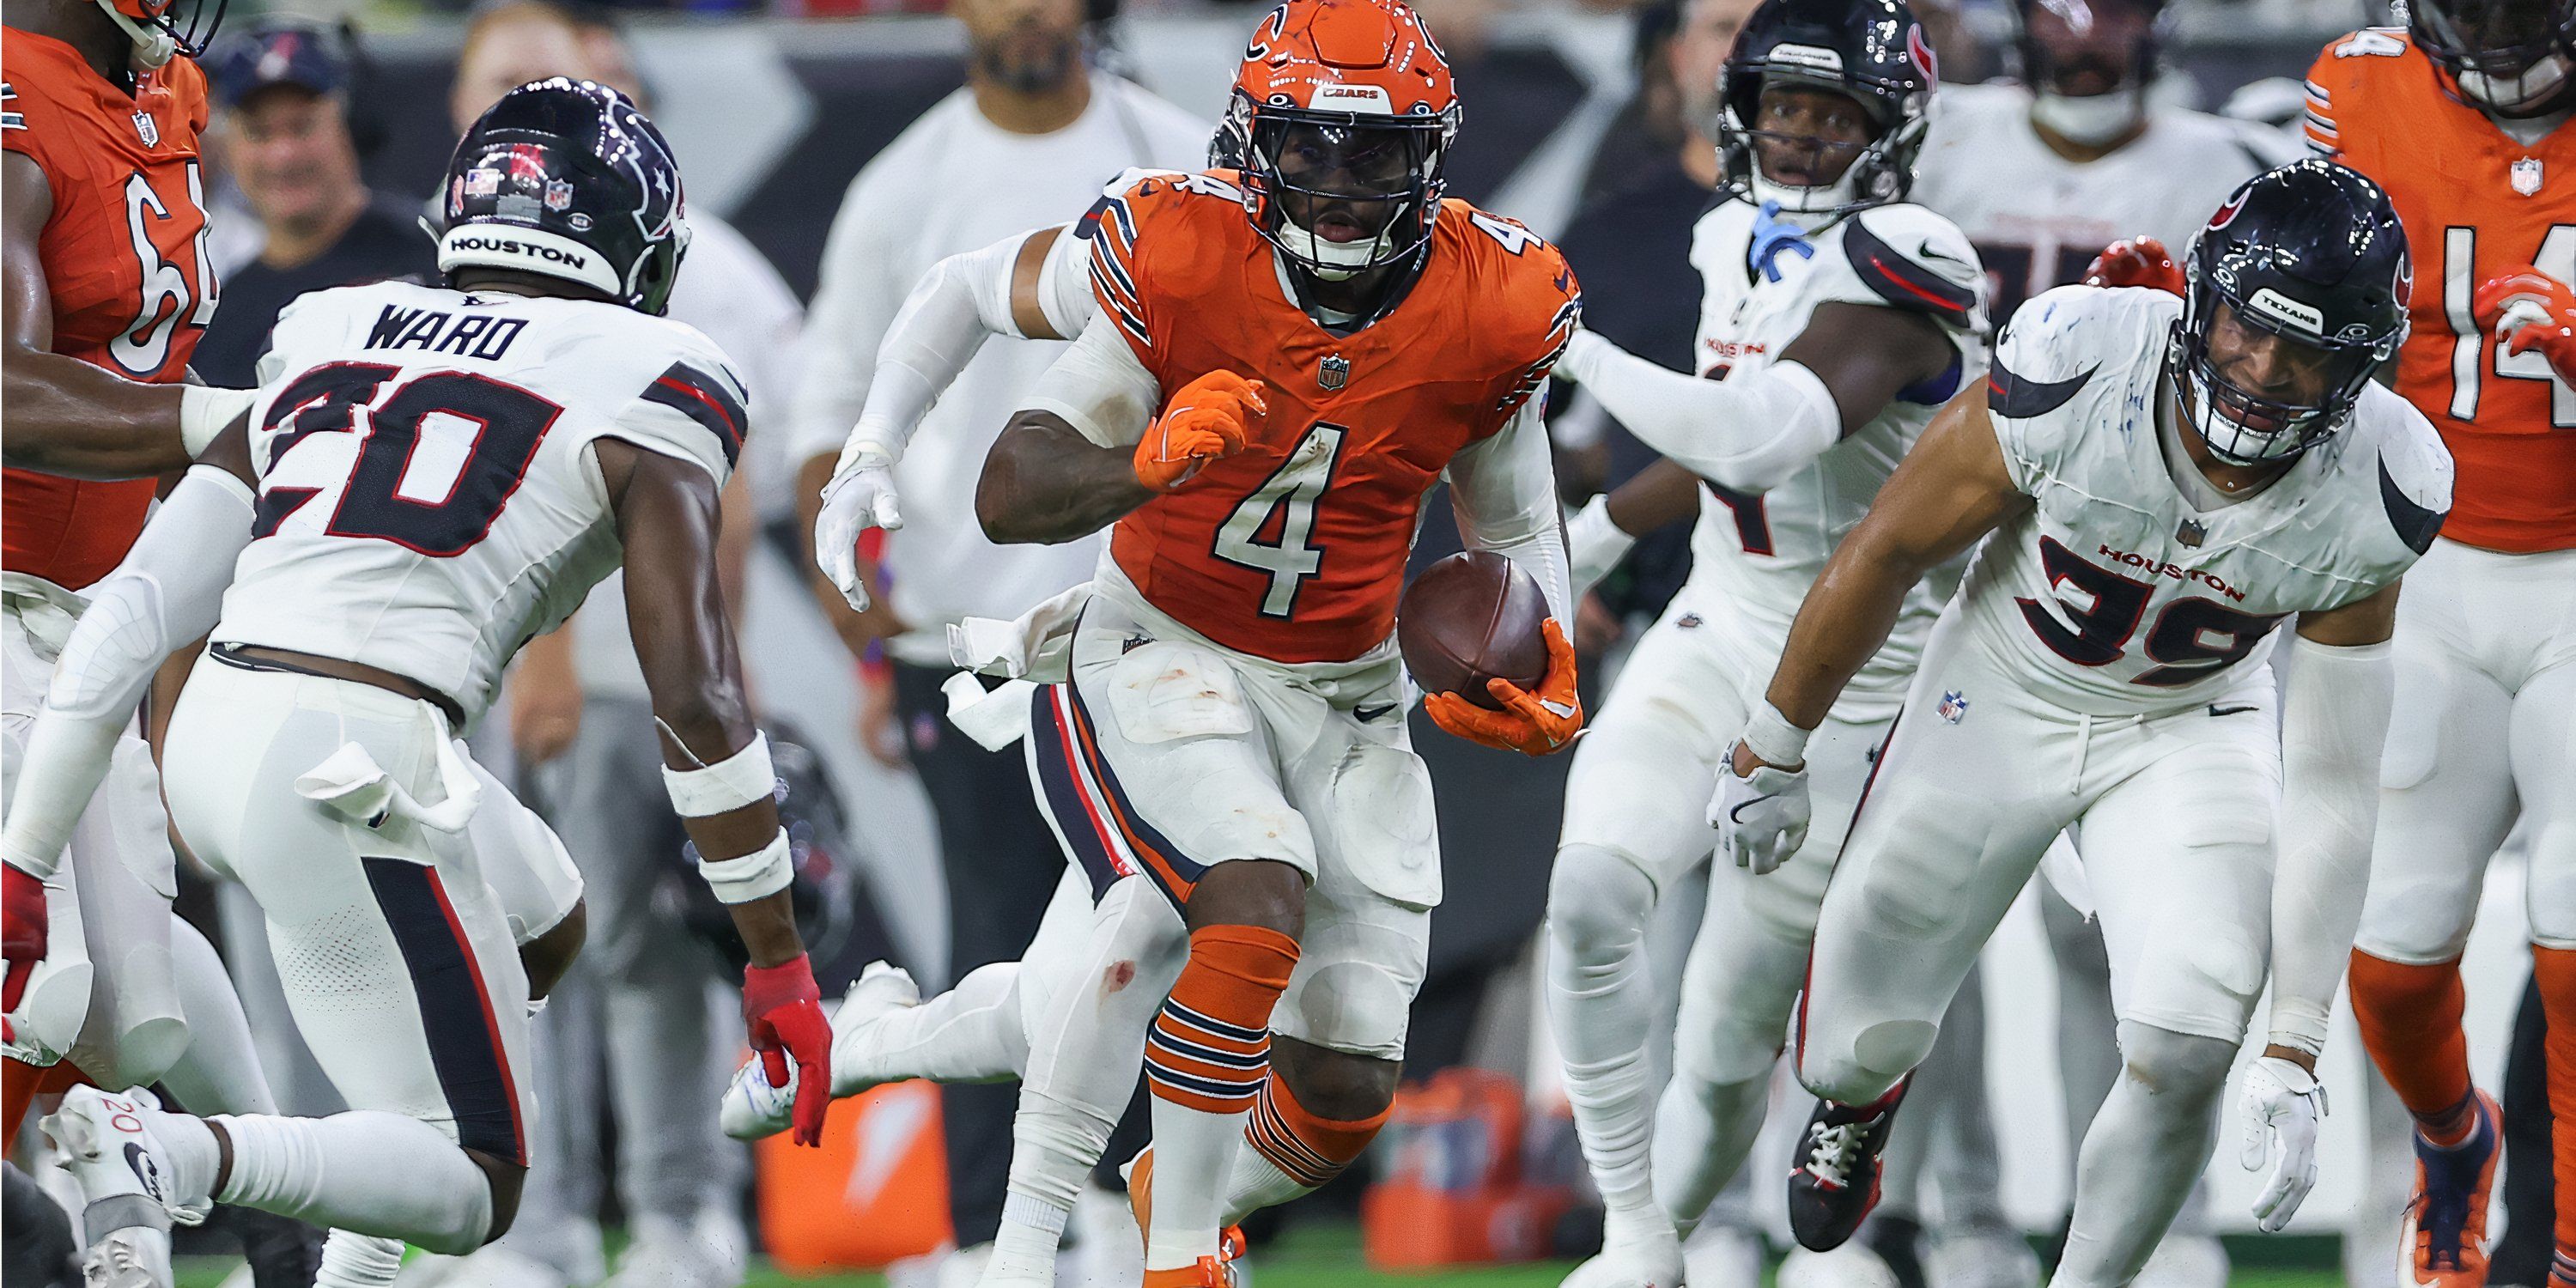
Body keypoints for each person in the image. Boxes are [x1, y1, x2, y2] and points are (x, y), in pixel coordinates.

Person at [6, 78, 835, 1285]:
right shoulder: (661, 375)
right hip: (357, 754)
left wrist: (21, 857)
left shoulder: (331, 325)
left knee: (544, 916)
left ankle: (349, 1263)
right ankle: (177, 1158)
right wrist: (779, 957)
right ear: (637, 250)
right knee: (475, 1185)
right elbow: (697, 699)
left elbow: (137, 610)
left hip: (226, 724)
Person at [1716, 158, 2444, 1285]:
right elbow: (1890, 548)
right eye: (2250, 330)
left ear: (2356, 370)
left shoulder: (2380, 487)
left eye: (2304, 352)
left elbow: (2338, 779)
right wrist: (1777, 744)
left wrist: (2294, 1043)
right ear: (2202, 303)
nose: (2261, 372)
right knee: (1852, 1041)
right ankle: (1863, 1101)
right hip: (2001, 687)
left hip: (2189, 720)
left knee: (2190, 1037)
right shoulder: (2079, 363)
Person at [1531, 3, 1987, 1286]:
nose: (1797, 137)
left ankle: (1753, 1188)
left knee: (1731, 1041)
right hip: (1718, 619)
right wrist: (1609, 533)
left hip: (1859, 686)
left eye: (1831, 113)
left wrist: (1573, 345)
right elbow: (1713, 431)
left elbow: (1762, 437)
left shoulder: (1915, 258)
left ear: (1887, 129)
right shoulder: (1727, 232)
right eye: (1781, 106)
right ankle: (1637, 1236)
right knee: (1589, 895)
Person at [782, 0, 1203, 1261]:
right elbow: (830, 414)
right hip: (962, 639)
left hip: (1149, 623)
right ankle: (983, 1236)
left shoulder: (1177, 163)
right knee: (995, 926)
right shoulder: (902, 184)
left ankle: (1147, 1230)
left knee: (1156, 929)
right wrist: (869, 627)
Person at [406, 9, 805, 1287]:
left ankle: (681, 1210)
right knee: (515, 945)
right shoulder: (439, 269)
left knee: (638, 943)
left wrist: (580, 659)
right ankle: (544, 1214)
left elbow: (725, 495)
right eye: (513, 86)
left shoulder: (704, 263)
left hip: (624, 661)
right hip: (467, 659)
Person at [1903, 5, 2297, 1282]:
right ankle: (1948, 1216)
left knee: (2116, 936)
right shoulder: (1940, 142)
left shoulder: (2227, 164)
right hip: (1963, 558)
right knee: (1924, 916)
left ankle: (2138, 1233)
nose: (2086, 35)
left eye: (2113, 7)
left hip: (2143, 575)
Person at [0, 5, 302, 1285]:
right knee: (44, 980)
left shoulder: (165, 85)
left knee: (130, 1011)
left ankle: (195, 1191)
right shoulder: (15, 93)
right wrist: (217, 423)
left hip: (90, 603)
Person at [2299, 3, 2576, 1283]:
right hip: (2429, 566)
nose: (2501, 38)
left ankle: (2570, 1245)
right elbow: (2309, 306)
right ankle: (2452, 1143)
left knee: (2575, 929)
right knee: (2400, 945)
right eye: (2477, 8)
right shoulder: (2363, 89)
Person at [191, 16, 433, 389]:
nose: (283, 155)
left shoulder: (435, 252)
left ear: (351, 125)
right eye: (258, 133)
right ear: (231, 148)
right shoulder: (218, 316)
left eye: (302, 126)